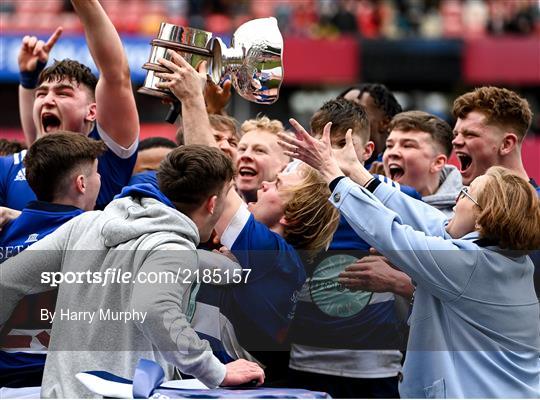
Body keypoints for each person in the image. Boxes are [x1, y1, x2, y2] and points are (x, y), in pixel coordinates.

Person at [280, 122, 540, 398]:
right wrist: (358, 173)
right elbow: (427, 219)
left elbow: (389, 233)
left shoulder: (470, 264)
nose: (455, 201)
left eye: (465, 194)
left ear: (484, 215)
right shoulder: (507, 259)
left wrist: (332, 173)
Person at [0, 145, 265, 398]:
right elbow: (153, 308)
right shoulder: (173, 246)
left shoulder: (85, 224)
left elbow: (6, 281)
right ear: (212, 203)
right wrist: (214, 370)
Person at [154, 50, 340, 383]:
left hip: (223, 389)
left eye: (278, 184)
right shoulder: (257, 254)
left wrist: (194, 101)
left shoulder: (276, 258)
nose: (266, 183)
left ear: (293, 217)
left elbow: (209, 181)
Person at [286, 100, 413, 398]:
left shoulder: (399, 198)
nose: (330, 154)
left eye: (343, 144)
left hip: (376, 366)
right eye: (323, 144)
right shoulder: (292, 197)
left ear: (368, 151)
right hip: (306, 360)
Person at [0, 0, 139, 212]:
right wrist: (28, 79)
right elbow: (36, 137)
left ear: (92, 111)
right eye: (42, 93)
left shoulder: (106, 159)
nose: (47, 100)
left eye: (63, 93)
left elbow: (116, 74)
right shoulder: (9, 167)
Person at [0, 132, 105, 388]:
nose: (100, 180)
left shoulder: (5, 232)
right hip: (62, 382)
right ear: (81, 183)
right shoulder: (99, 234)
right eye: (96, 174)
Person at [383, 110, 462, 217]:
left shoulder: (461, 218)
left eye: (407, 145)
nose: (392, 153)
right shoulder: (370, 203)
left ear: (437, 163)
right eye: (389, 146)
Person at [338, 83, 402, 168]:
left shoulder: (397, 169)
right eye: (339, 110)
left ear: (385, 123)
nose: (341, 117)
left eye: (357, 111)